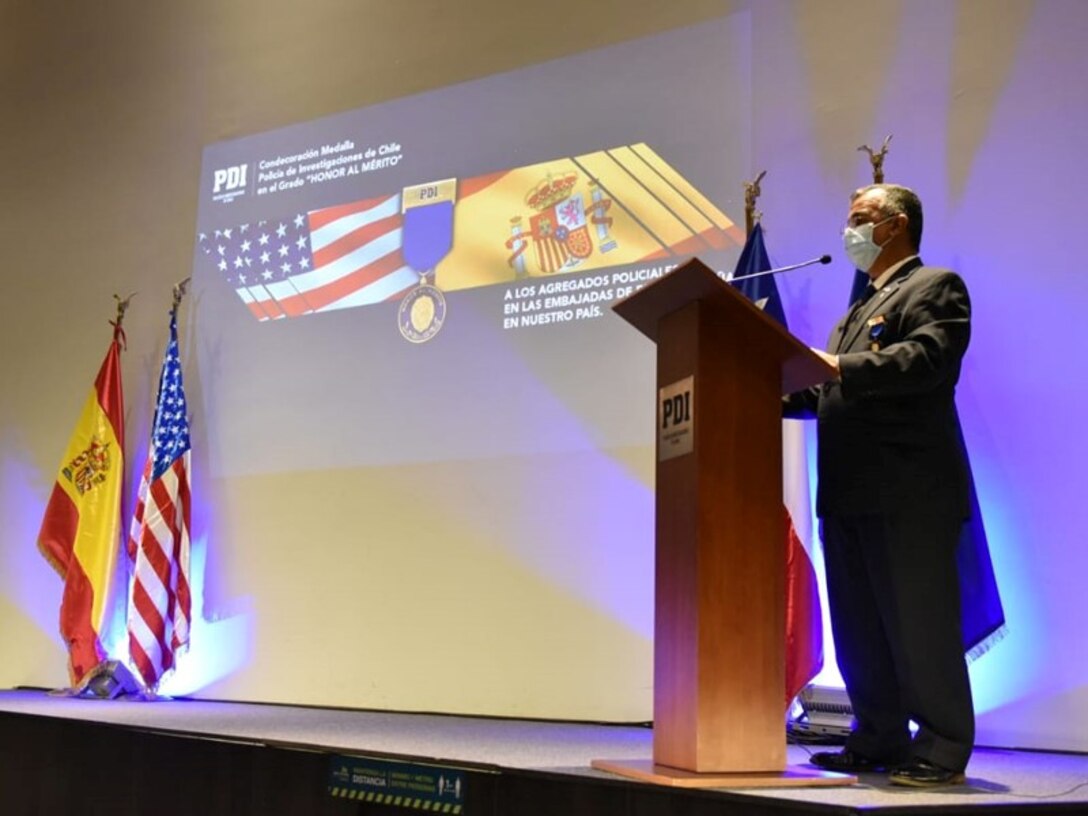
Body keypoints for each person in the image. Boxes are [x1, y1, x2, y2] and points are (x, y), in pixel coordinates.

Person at [785, 183, 974, 787]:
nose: (850, 232)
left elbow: (926, 359)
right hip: (849, 494)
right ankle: (878, 735)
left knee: (919, 622)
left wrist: (840, 364)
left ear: (895, 226)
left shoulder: (935, 285)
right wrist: (758, 388)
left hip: (909, 492)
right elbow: (826, 390)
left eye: (859, 219)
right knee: (861, 626)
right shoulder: (854, 311)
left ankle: (942, 745)